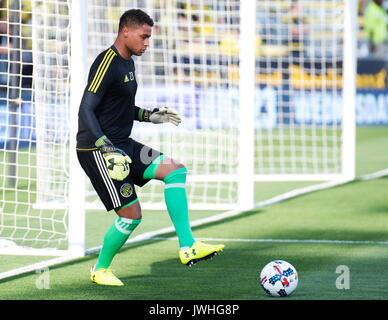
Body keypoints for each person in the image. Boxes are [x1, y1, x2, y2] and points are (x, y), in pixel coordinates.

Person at [76, 9, 224, 286]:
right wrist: (105, 148)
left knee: (175, 170)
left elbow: (117, 107)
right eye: (143, 37)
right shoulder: (106, 62)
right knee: (132, 216)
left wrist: (149, 115)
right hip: (98, 150)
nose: (147, 43)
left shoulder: (128, 62)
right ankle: (100, 269)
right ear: (125, 32)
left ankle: (188, 246)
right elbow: (86, 109)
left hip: (124, 145)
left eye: (149, 37)